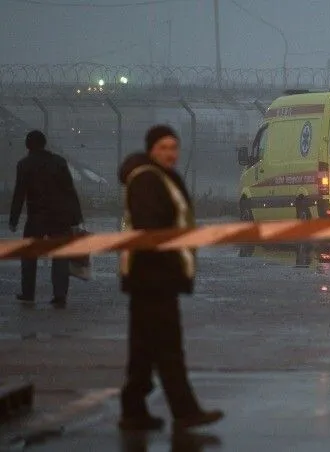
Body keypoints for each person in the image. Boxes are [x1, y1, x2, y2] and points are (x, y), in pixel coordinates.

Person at [118, 125, 223, 431]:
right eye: (163, 147)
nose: (170, 153)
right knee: (167, 347)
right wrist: (169, 265)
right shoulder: (147, 179)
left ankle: (133, 409)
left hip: (153, 278)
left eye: (173, 147)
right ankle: (185, 411)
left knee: (144, 348)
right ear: (151, 150)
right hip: (152, 278)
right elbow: (153, 230)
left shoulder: (160, 177)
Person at [9, 130, 83, 307]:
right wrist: (76, 217)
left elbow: (19, 194)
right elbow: (69, 191)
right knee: (60, 255)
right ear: (44, 144)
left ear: (28, 145)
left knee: (29, 254)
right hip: (60, 216)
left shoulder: (24, 165)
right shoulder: (59, 162)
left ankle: (28, 293)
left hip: (36, 217)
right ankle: (59, 295)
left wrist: (14, 219)